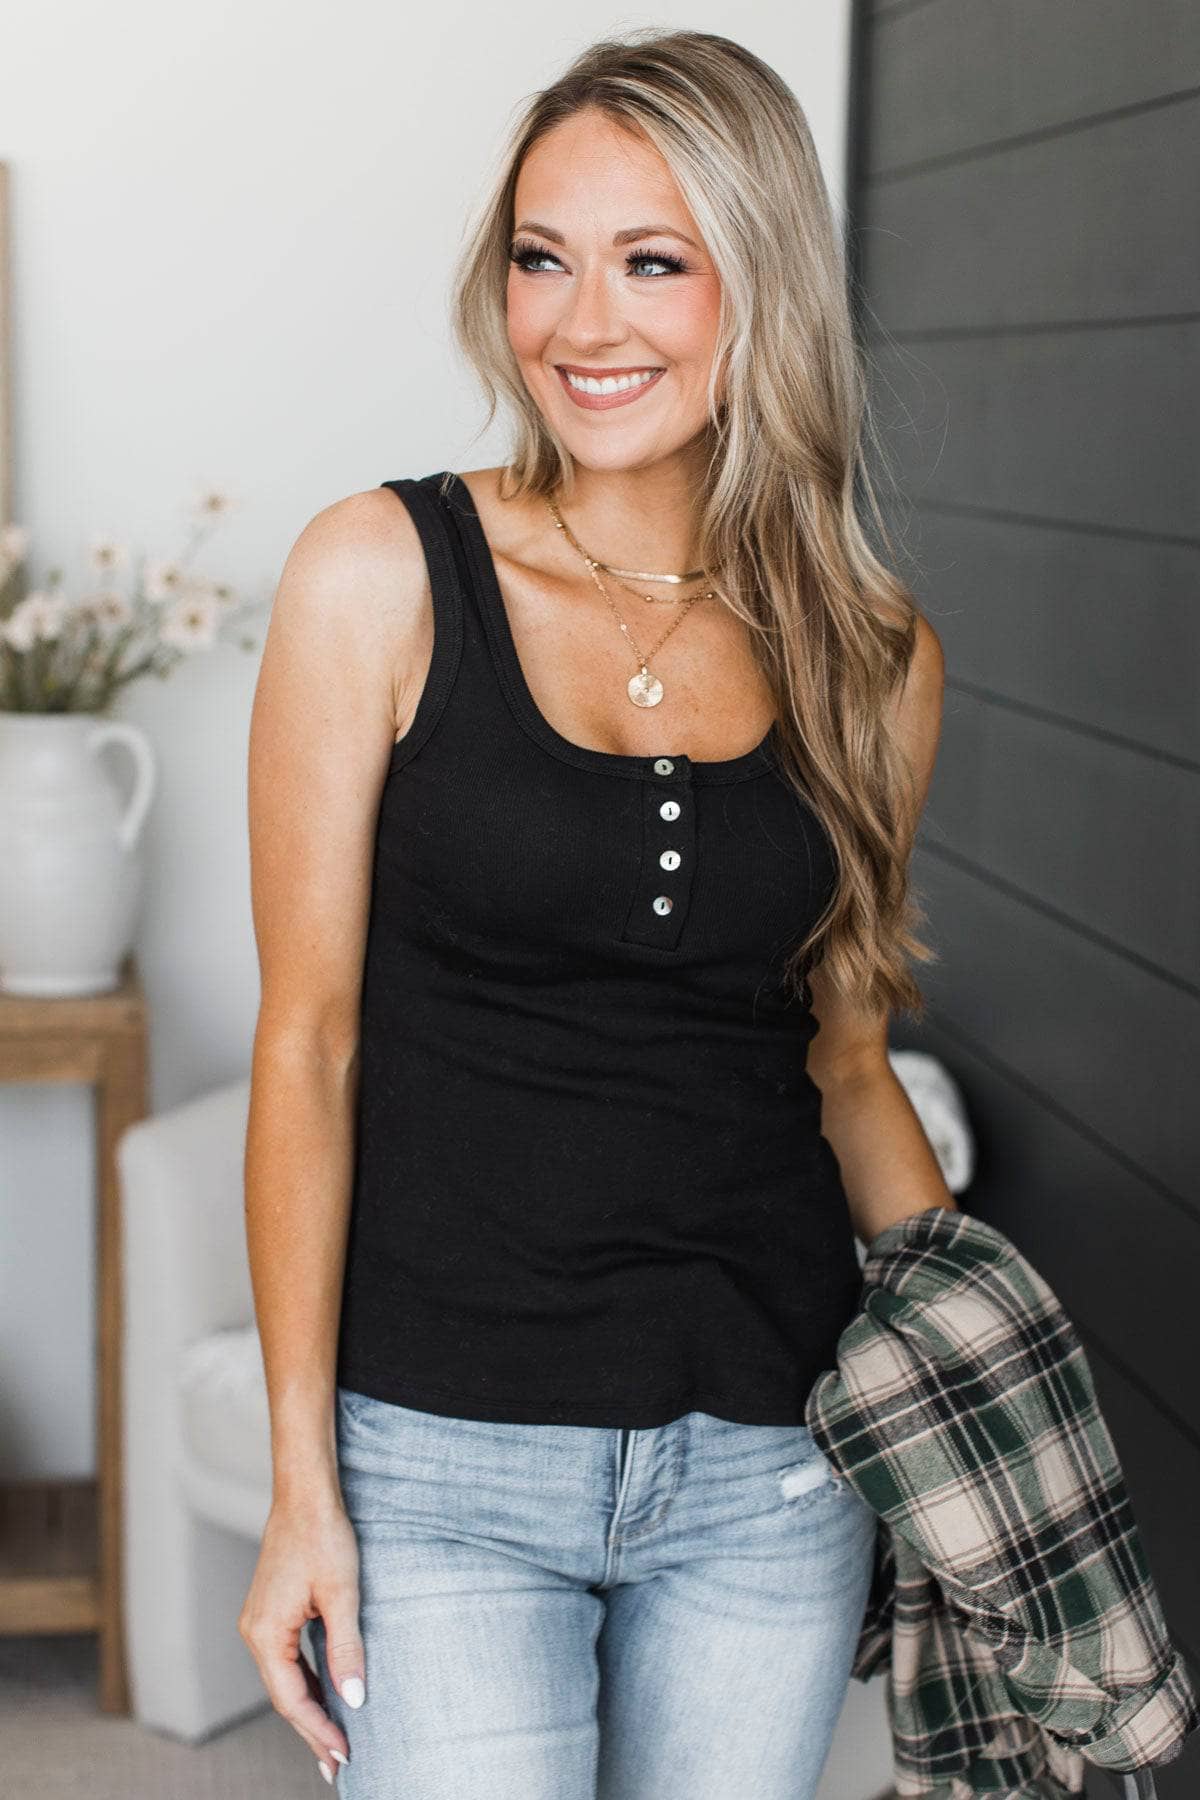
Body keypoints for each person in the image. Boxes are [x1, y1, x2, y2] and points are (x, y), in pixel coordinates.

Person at [237, 26, 954, 1800]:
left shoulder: (872, 653)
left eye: (652, 262)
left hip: (773, 1466)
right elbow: (309, 1047)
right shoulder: (379, 575)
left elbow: (846, 1063)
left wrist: (981, 1363)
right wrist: (301, 1481)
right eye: (542, 258)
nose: (580, 323)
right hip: (440, 1463)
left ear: (760, 284)